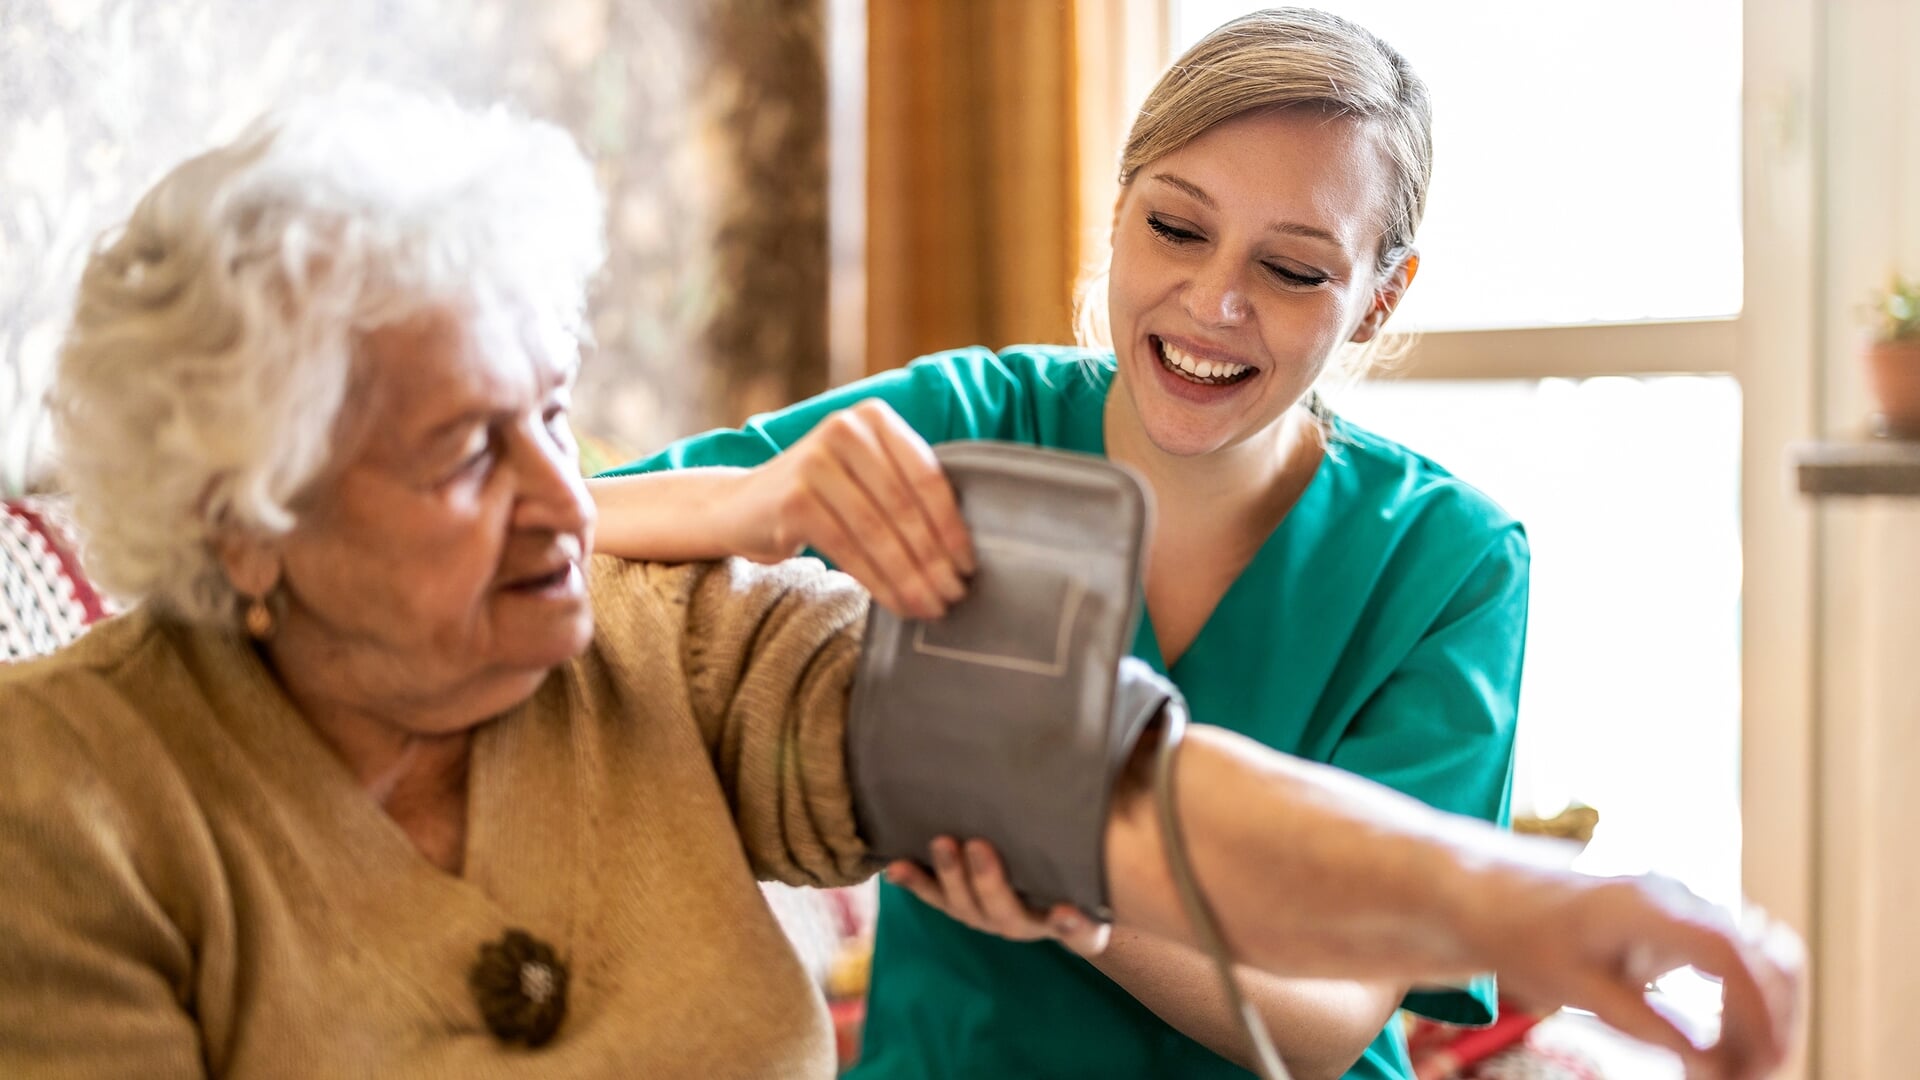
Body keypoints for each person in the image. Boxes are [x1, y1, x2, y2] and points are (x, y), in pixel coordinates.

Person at [0, 90, 1801, 1080]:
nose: (567, 497)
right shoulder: (71, 800)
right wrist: (771, 492)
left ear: (1379, 298)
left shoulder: (669, 657)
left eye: (558, 414)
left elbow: (1113, 782)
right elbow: (659, 507)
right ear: (246, 521)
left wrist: (1531, 904)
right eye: (476, 452)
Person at [591, 8, 1515, 1079]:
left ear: (1376, 300)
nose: (1216, 301)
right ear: (1117, 214)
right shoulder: (964, 421)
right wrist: (762, 502)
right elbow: (556, 524)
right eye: (1177, 228)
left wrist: (1082, 900)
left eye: (1294, 271)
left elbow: (1327, 1018)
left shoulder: (1455, 564)